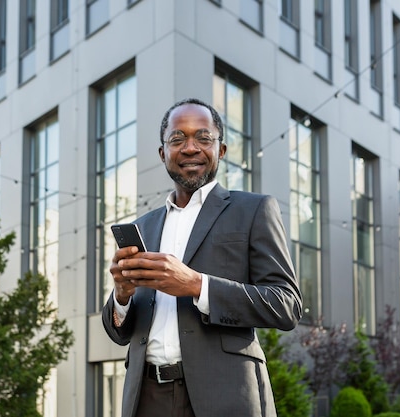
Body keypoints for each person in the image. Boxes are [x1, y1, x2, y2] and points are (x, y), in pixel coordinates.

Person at [102, 98, 302, 417]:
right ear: (162, 153)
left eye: (203, 137)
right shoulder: (143, 226)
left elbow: (286, 305)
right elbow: (119, 333)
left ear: (220, 150)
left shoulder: (253, 210)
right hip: (146, 398)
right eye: (178, 139)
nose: (190, 147)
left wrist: (197, 285)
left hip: (225, 394)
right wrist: (122, 295)